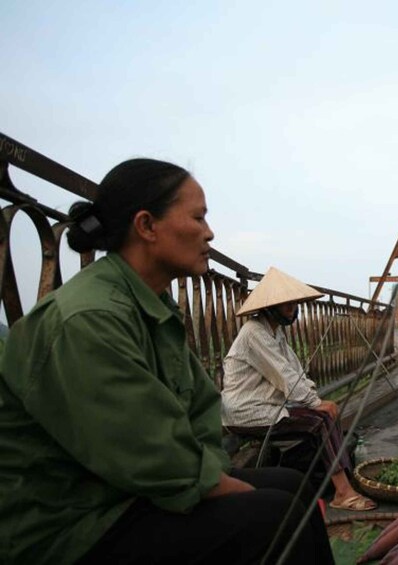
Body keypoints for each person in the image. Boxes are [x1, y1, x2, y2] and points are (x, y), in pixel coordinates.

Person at [0, 159, 334, 564]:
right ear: (147, 226)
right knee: (274, 516)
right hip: (76, 522)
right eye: (197, 217)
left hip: (127, 491)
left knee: (292, 485)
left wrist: (215, 476)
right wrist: (221, 486)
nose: (209, 232)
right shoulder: (89, 319)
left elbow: (200, 412)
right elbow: (147, 454)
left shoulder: (153, 306)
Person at [222, 267, 377, 512]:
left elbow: (295, 372)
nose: (293, 310)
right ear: (270, 307)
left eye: (295, 304)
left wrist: (316, 399)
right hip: (248, 411)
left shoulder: (276, 332)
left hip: (270, 406)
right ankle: (343, 493)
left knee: (328, 412)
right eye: (287, 305)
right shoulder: (254, 333)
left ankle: (345, 478)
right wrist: (315, 404)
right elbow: (283, 376)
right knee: (320, 421)